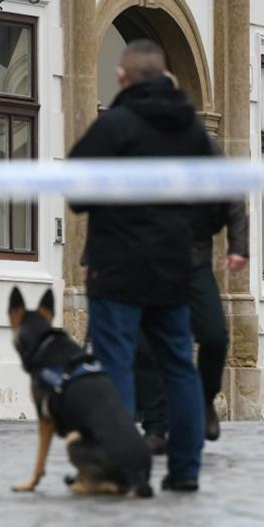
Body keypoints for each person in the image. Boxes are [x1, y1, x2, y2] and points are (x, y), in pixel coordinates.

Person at [69, 39, 215, 492]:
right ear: (165, 73)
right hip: (173, 267)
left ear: (121, 76)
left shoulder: (116, 126)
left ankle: (120, 467)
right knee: (179, 368)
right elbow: (215, 203)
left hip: (118, 268)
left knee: (115, 369)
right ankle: (185, 471)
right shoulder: (192, 130)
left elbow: (76, 191)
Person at [135, 199, 248, 451]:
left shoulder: (206, 158)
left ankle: (205, 402)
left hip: (194, 260)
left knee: (214, 335)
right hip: (146, 261)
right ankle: (155, 427)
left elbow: (232, 197)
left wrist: (238, 246)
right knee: (145, 345)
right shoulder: (139, 158)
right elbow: (109, 205)